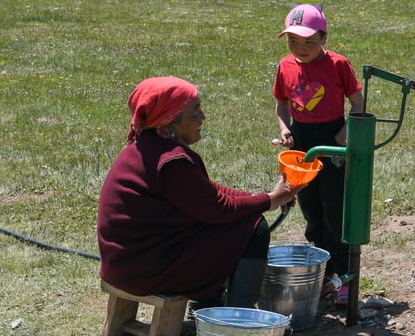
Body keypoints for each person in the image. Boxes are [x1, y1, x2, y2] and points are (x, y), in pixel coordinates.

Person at [97, 76, 298, 310]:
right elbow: (218, 209)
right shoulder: (171, 161)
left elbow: (208, 193)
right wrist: (273, 200)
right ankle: (237, 321)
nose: (202, 117)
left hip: (125, 264)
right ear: (171, 121)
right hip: (145, 271)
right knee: (254, 228)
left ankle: (211, 300)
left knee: (226, 225)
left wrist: (257, 197)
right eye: (195, 111)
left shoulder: (145, 145)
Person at [272, 3, 365, 306]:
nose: (301, 48)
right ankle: (322, 272)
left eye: (309, 42)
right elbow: (282, 103)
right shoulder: (285, 66)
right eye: (293, 41)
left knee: (334, 209)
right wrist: (285, 128)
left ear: (324, 38)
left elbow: (358, 103)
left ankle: (344, 277)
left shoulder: (338, 65)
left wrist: (343, 135)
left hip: (332, 139)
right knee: (309, 207)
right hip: (302, 141)